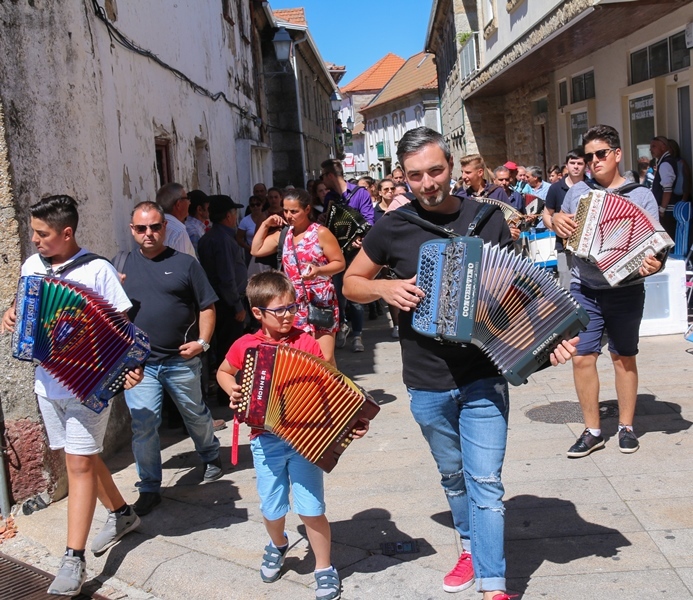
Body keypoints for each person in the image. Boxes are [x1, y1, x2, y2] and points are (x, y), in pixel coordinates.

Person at [343, 127, 576, 600]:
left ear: (451, 167)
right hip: (426, 377)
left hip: (483, 374)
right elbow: (351, 282)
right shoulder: (393, 227)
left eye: (436, 171)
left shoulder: (488, 219)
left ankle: (494, 584)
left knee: (485, 480)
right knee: (453, 474)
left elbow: (519, 292)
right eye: (416, 176)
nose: (428, 183)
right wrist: (384, 288)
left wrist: (546, 344)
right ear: (403, 178)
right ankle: (470, 544)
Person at [1, 195, 144, 596]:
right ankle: (121, 513)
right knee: (80, 456)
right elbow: (22, 309)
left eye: (42, 234)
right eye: (33, 232)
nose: (34, 240)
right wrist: (11, 315)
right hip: (46, 383)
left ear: (67, 233)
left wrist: (132, 366)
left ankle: (73, 558)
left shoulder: (97, 269)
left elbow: (123, 326)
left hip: (89, 383)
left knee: (78, 465)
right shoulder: (32, 266)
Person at [217, 271, 369, 600]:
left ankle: (324, 567)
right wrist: (234, 391)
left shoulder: (306, 342)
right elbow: (224, 371)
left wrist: (352, 420)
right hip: (265, 439)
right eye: (280, 310)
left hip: (305, 440)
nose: (289, 316)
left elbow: (329, 387)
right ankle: (278, 542)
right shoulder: (246, 345)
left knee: (311, 507)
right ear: (257, 313)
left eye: (292, 308)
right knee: (272, 509)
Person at [552, 124, 664, 459]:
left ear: (617, 154)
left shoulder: (640, 194)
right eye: (588, 157)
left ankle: (627, 427)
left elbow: (655, 243)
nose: (594, 161)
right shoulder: (576, 193)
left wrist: (655, 262)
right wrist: (557, 220)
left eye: (601, 154)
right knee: (582, 357)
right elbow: (563, 231)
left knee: (623, 357)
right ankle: (593, 430)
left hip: (626, 289)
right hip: (585, 287)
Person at [120, 201, 223, 516]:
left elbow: (207, 305)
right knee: (144, 423)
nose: (148, 233)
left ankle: (209, 453)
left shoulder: (186, 264)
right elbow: (108, 311)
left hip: (180, 358)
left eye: (154, 226)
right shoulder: (120, 265)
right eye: (141, 228)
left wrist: (202, 343)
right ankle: (149, 487)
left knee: (195, 413)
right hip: (139, 365)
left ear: (165, 227)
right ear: (132, 230)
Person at [251, 188, 345, 364]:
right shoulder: (284, 235)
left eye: (294, 211)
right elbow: (255, 249)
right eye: (285, 210)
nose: (288, 215)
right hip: (294, 304)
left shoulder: (320, 233)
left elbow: (339, 263)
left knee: (325, 357)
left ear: (307, 209)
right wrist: (265, 224)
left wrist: (319, 271)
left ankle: (334, 389)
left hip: (320, 300)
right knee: (303, 356)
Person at [198, 195, 248, 405]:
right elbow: (226, 277)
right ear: (228, 216)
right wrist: (237, 305)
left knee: (221, 348)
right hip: (228, 304)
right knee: (231, 350)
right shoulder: (223, 239)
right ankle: (228, 393)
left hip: (217, 302)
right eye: (234, 213)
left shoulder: (210, 238)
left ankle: (224, 391)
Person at [543, 148, 587, 289]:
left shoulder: (592, 186)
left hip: (587, 248)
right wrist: (556, 227)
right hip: (564, 247)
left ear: (585, 166)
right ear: (566, 165)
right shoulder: (555, 188)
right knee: (566, 286)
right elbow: (546, 214)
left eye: (580, 163)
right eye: (572, 162)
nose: (575, 166)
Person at [157, 182, 196, 258]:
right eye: (187, 199)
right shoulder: (178, 232)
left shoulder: (152, 226)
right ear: (178, 204)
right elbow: (181, 267)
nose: (189, 203)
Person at [237, 195, 267, 268]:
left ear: (262, 205)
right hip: (251, 253)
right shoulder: (245, 221)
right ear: (250, 207)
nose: (255, 207)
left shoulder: (268, 218)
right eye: (252, 205)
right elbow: (239, 238)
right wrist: (249, 248)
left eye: (258, 204)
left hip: (267, 251)